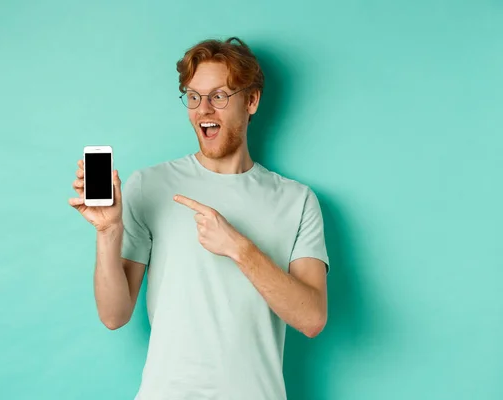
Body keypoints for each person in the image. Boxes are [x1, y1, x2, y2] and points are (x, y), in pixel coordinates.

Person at [69, 36, 330, 400]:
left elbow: (312, 318)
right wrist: (109, 230)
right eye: (193, 97)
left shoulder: (296, 200)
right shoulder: (150, 185)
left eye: (219, 96)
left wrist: (239, 248)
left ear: (251, 101)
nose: (204, 109)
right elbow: (114, 315)